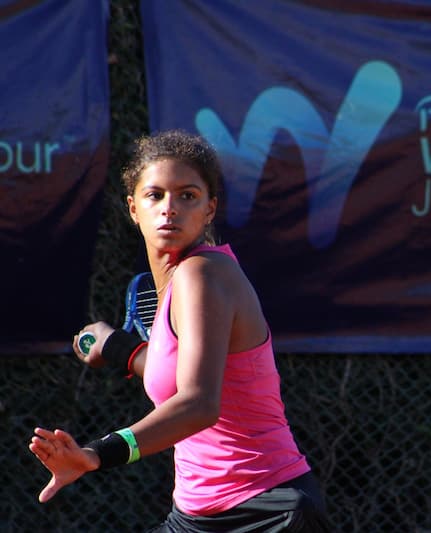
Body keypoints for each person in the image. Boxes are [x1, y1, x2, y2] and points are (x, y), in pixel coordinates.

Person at [29, 130, 330, 532]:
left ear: (209, 209)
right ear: (133, 208)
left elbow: (199, 404)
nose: (170, 208)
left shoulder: (201, 274)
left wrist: (97, 454)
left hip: (265, 510)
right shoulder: (180, 283)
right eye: (155, 196)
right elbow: (183, 368)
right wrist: (119, 348)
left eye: (187, 196)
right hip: (195, 514)